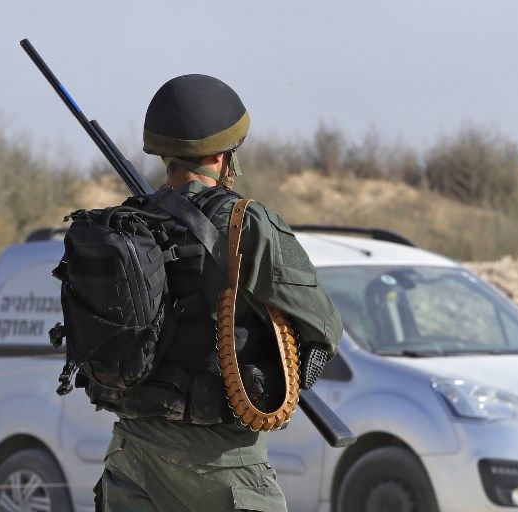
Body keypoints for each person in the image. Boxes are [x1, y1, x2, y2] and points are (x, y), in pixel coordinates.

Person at [98, 74, 343, 512]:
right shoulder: (248, 223)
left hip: (130, 456)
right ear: (221, 154)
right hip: (221, 465)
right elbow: (323, 328)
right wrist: (275, 373)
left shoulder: (123, 225)